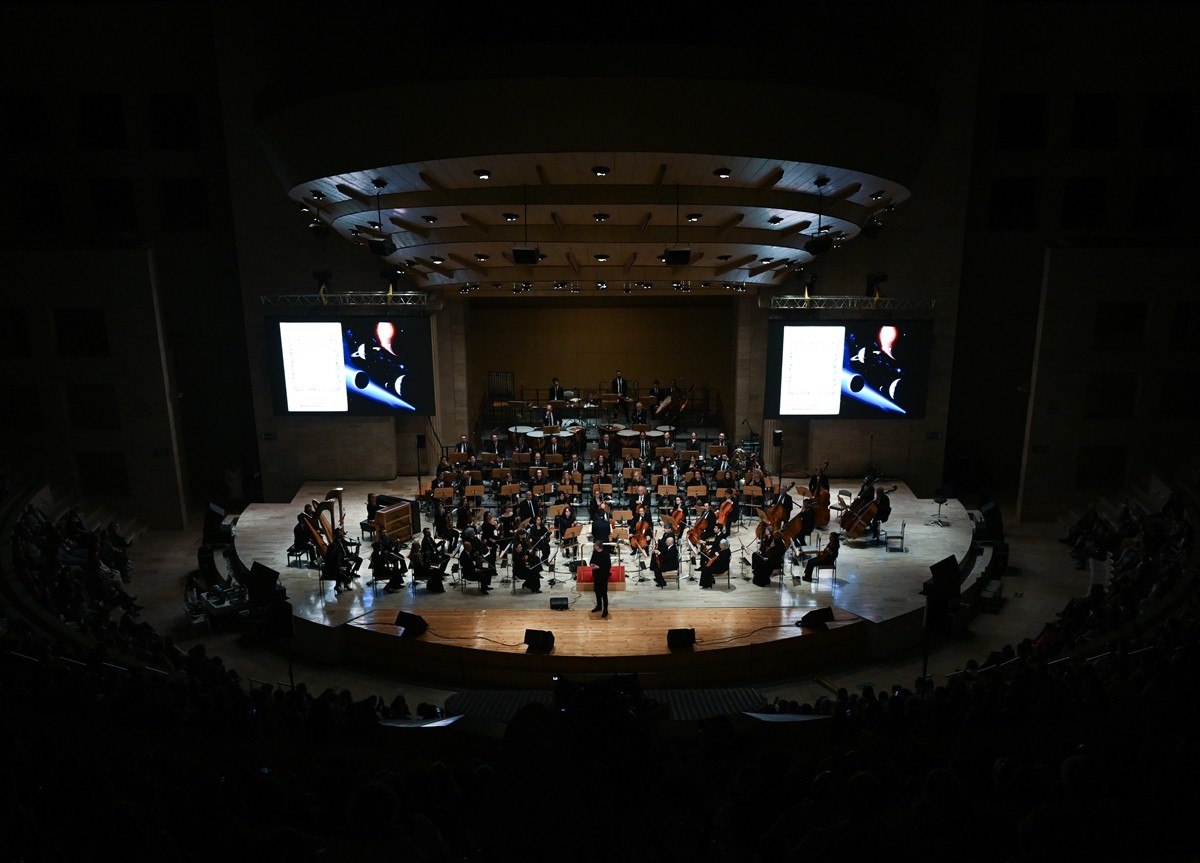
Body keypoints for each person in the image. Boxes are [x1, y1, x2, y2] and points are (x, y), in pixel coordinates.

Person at [589, 539, 612, 617]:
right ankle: (599, 606)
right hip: (596, 574)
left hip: (603, 575)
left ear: (598, 546)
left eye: (595, 545)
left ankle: (605, 610)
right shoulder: (595, 552)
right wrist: (591, 565)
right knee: (597, 591)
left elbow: (608, 566)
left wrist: (598, 567)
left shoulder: (605, 554)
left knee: (603, 593)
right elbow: (591, 561)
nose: (594, 546)